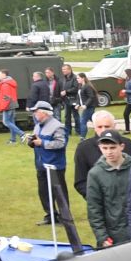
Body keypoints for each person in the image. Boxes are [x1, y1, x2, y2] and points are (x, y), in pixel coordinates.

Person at [26, 100, 86, 252]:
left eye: (36, 111)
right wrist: (31, 141)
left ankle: (64, 216)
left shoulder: (58, 126)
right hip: (41, 164)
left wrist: (42, 143)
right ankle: (50, 215)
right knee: (43, 191)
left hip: (54, 165)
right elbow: (37, 140)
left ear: (45, 112)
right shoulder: (38, 125)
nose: (34, 113)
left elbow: (60, 144)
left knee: (59, 191)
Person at [85, 130, 131, 248]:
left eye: (112, 147)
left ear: (121, 147)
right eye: (104, 148)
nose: (109, 152)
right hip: (113, 235)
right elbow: (94, 208)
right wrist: (102, 236)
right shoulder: (95, 174)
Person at [73, 110, 131, 199]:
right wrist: (95, 198)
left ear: (114, 126)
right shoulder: (83, 148)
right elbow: (80, 181)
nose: (103, 130)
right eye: (99, 127)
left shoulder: (127, 144)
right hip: (99, 201)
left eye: (107, 126)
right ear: (94, 127)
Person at [0, 68, 23, 143]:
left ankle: (22, 134)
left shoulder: (5, 84)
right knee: (11, 123)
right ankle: (13, 140)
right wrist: (0, 94)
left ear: (4, 74)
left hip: (8, 106)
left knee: (6, 122)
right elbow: (8, 95)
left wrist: (3, 107)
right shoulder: (9, 82)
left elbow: (7, 97)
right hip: (12, 104)